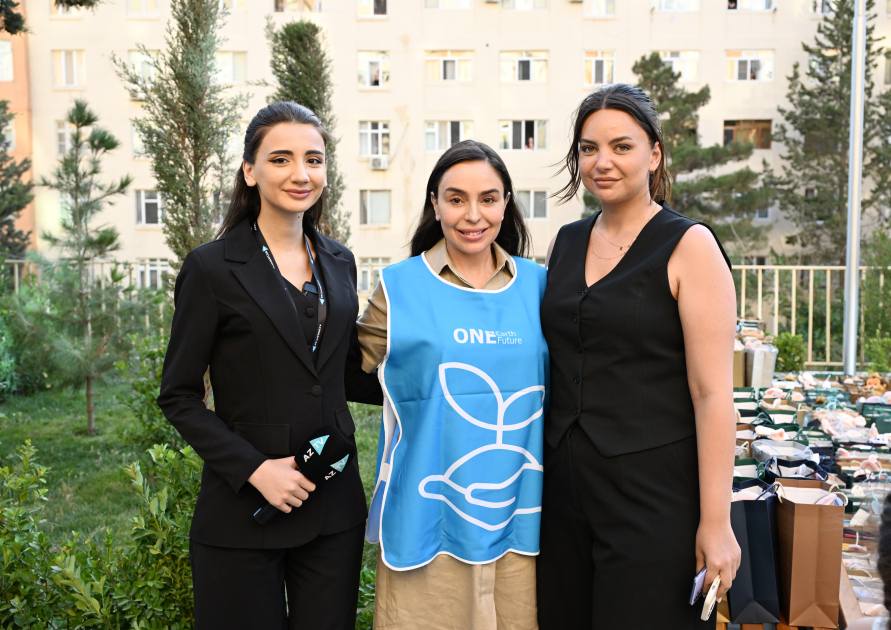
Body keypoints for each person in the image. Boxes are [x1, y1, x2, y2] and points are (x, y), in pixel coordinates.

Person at [157, 101, 381, 630]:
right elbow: (179, 396)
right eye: (281, 159)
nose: (301, 174)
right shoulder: (212, 268)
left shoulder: (339, 261)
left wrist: (430, 372)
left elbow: (337, 371)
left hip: (332, 501)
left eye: (313, 159)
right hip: (244, 510)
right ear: (250, 171)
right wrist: (257, 470)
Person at [536, 83, 741, 629]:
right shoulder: (566, 242)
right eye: (588, 148)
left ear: (654, 155)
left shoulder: (689, 245)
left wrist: (716, 522)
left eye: (621, 146)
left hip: (652, 494)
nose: (602, 162)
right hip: (564, 492)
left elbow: (713, 393)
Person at [357, 140, 548, 630]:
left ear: (506, 204)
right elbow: (341, 376)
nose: (473, 215)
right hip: (428, 515)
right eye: (456, 199)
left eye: (488, 198)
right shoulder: (398, 289)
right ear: (435, 204)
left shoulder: (540, 286)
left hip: (521, 517)